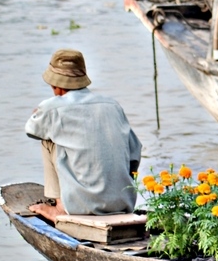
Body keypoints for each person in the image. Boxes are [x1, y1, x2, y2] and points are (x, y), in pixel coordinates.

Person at [25, 49, 142, 220]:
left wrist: (40, 113)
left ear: (56, 87)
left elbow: (31, 130)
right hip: (124, 204)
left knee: (47, 140)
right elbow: (135, 151)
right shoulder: (112, 105)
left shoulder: (52, 107)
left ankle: (60, 206)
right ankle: (115, 195)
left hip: (79, 207)